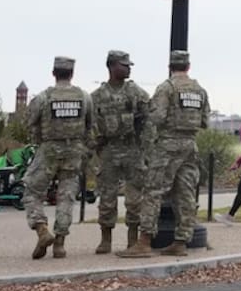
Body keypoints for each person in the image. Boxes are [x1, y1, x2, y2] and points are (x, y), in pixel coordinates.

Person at [119, 50, 210, 258]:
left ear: (171, 67)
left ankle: (144, 241)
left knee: (153, 191)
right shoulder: (199, 90)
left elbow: (157, 118)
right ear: (188, 67)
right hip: (190, 146)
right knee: (185, 193)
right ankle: (181, 240)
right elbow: (205, 121)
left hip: (168, 146)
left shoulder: (166, 88)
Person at [22, 56, 93, 259]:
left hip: (49, 150)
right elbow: (90, 127)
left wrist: (39, 140)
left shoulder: (44, 97)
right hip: (74, 151)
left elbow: (30, 123)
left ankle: (42, 230)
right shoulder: (84, 97)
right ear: (72, 74)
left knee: (31, 192)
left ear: (54, 73)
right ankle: (60, 243)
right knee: (66, 197)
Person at [90, 49, 153, 254]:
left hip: (132, 149)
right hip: (108, 149)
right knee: (107, 196)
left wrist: (145, 147)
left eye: (128, 66)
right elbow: (90, 125)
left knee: (135, 197)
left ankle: (132, 239)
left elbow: (149, 120)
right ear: (111, 66)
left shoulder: (136, 93)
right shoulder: (97, 96)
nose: (128, 69)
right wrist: (96, 147)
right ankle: (105, 238)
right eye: (124, 65)